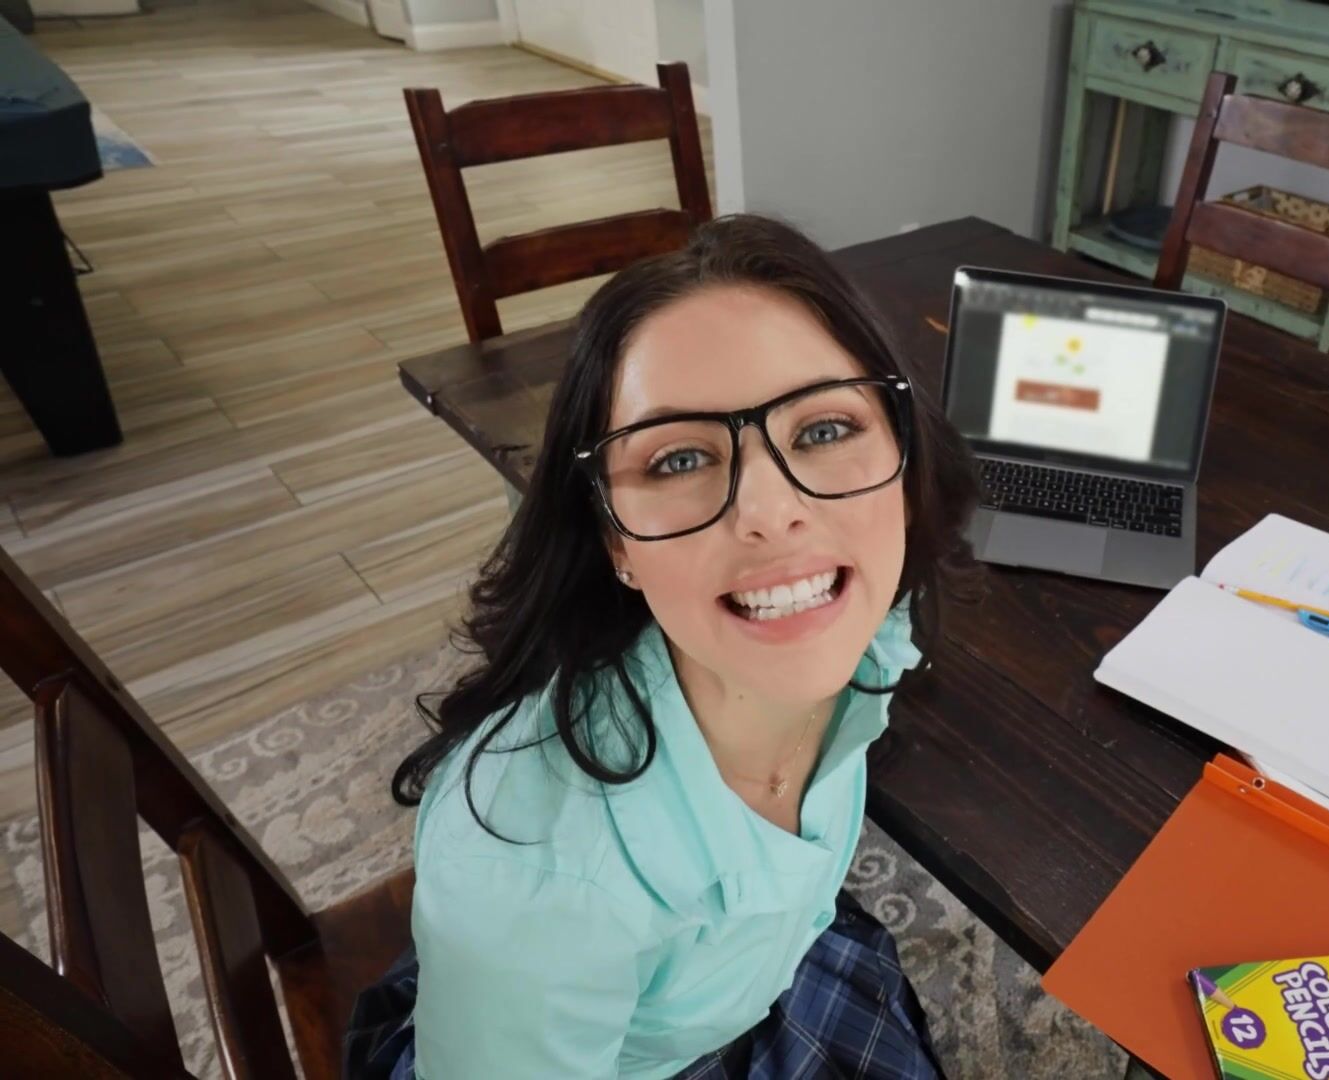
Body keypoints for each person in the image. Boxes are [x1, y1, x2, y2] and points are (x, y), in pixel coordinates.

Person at [344, 214, 979, 1078]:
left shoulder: (876, 630)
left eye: (824, 430)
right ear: (615, 540)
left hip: (761, 972)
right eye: (680, 460)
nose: (770, 513)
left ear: (905, 465)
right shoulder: (538, 885)